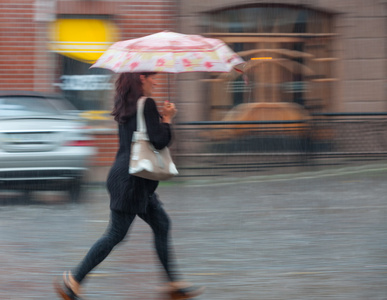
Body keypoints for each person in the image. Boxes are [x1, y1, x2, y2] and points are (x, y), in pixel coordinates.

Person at [55, 72, 204, 300]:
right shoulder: (147, 104)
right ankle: (73, 281)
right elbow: (160, 140)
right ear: (141, 78)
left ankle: (173, 284)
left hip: (129, 178)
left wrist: (159, 119)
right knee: (115, 234)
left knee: (162, 223)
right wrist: (168, 119)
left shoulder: (126, 104)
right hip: (132, 182)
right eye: (153, 77)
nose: (156, 81)